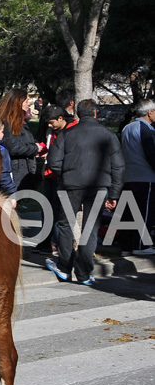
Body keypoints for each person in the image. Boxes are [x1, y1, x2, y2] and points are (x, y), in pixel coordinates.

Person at [45, 100, 124, 285]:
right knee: (90, 228)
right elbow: (118, 167)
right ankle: (83, 272)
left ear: (79, 114)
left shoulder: (66, 134)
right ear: (95, 113)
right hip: (99, 186)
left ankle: (64, 266)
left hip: (70, 184)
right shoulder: (108, 135)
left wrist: (64, 175)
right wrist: (114, 194)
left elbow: (53, 161)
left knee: (65, 224)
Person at [38, 106, 77, 254]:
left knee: (61, 214)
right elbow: (50, 146)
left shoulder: (73, 131)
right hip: (50, 175)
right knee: (49, 210)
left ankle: (59, 244)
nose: (49, 125)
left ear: (61, 119)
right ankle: (48, 242)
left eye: (51, 122)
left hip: (62, 176)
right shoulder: (53, 131)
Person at [118, 99, 155, 255]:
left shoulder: (127, 128)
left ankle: (125, 246)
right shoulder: (147, 130)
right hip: (145, 176)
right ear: (150, 112)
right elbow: (151, 154)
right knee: (144, 211)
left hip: (128, 176)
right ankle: (141, 244)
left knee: (128, 212)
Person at [0, 89, 45, 191]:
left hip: (22, 170)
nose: (29, 104)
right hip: (15, 171)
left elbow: (23, 141)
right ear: (18, 103)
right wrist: (35, 148)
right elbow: (13, 147)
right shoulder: (8, 123)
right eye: (26, 101)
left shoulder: (20, 122)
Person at [0, 119, 17, 197]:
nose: (3, 135)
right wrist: (11, 192)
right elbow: (3, 173)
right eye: (2, 132)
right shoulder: (1, 150)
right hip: (0, 191)